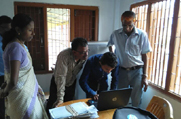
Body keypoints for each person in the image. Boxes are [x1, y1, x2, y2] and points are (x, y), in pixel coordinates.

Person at [0, 13, 48, 119]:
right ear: (18, 30)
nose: (33, 33)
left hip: (24, 94)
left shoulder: (20, 45)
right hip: (22, 97)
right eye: (30, 30)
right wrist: (4, 91)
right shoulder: (15, 47)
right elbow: (13, 81)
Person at [107, 11, 152, 107]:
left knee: (136, 100)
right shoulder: (115, 34)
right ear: (121, 22)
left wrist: (145, 76)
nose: (127, 28)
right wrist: (112, 58)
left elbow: (145, 55)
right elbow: (110, 45)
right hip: (121, 70)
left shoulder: (142, 35)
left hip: (137, 72)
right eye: (124, 25)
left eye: (130, 25)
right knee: (120, 99)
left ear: (134, 22)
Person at [46, 37, 88, 112]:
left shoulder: (83, 58)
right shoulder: (64, 56)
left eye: (87, 51)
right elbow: (61, 78)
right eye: (83, 52)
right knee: (53, 105)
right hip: (58, 84)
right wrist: (60, 99)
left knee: (68, 106)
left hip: (71, 84)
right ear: (74, 52)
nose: (86, 54)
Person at [0, 15, 11, 119]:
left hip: (10, 75)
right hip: (0, 76)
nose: (7, 30)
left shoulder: (11, 41)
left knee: (10, 101)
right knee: (1, 103)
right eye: (5, 28)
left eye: (9, 28)